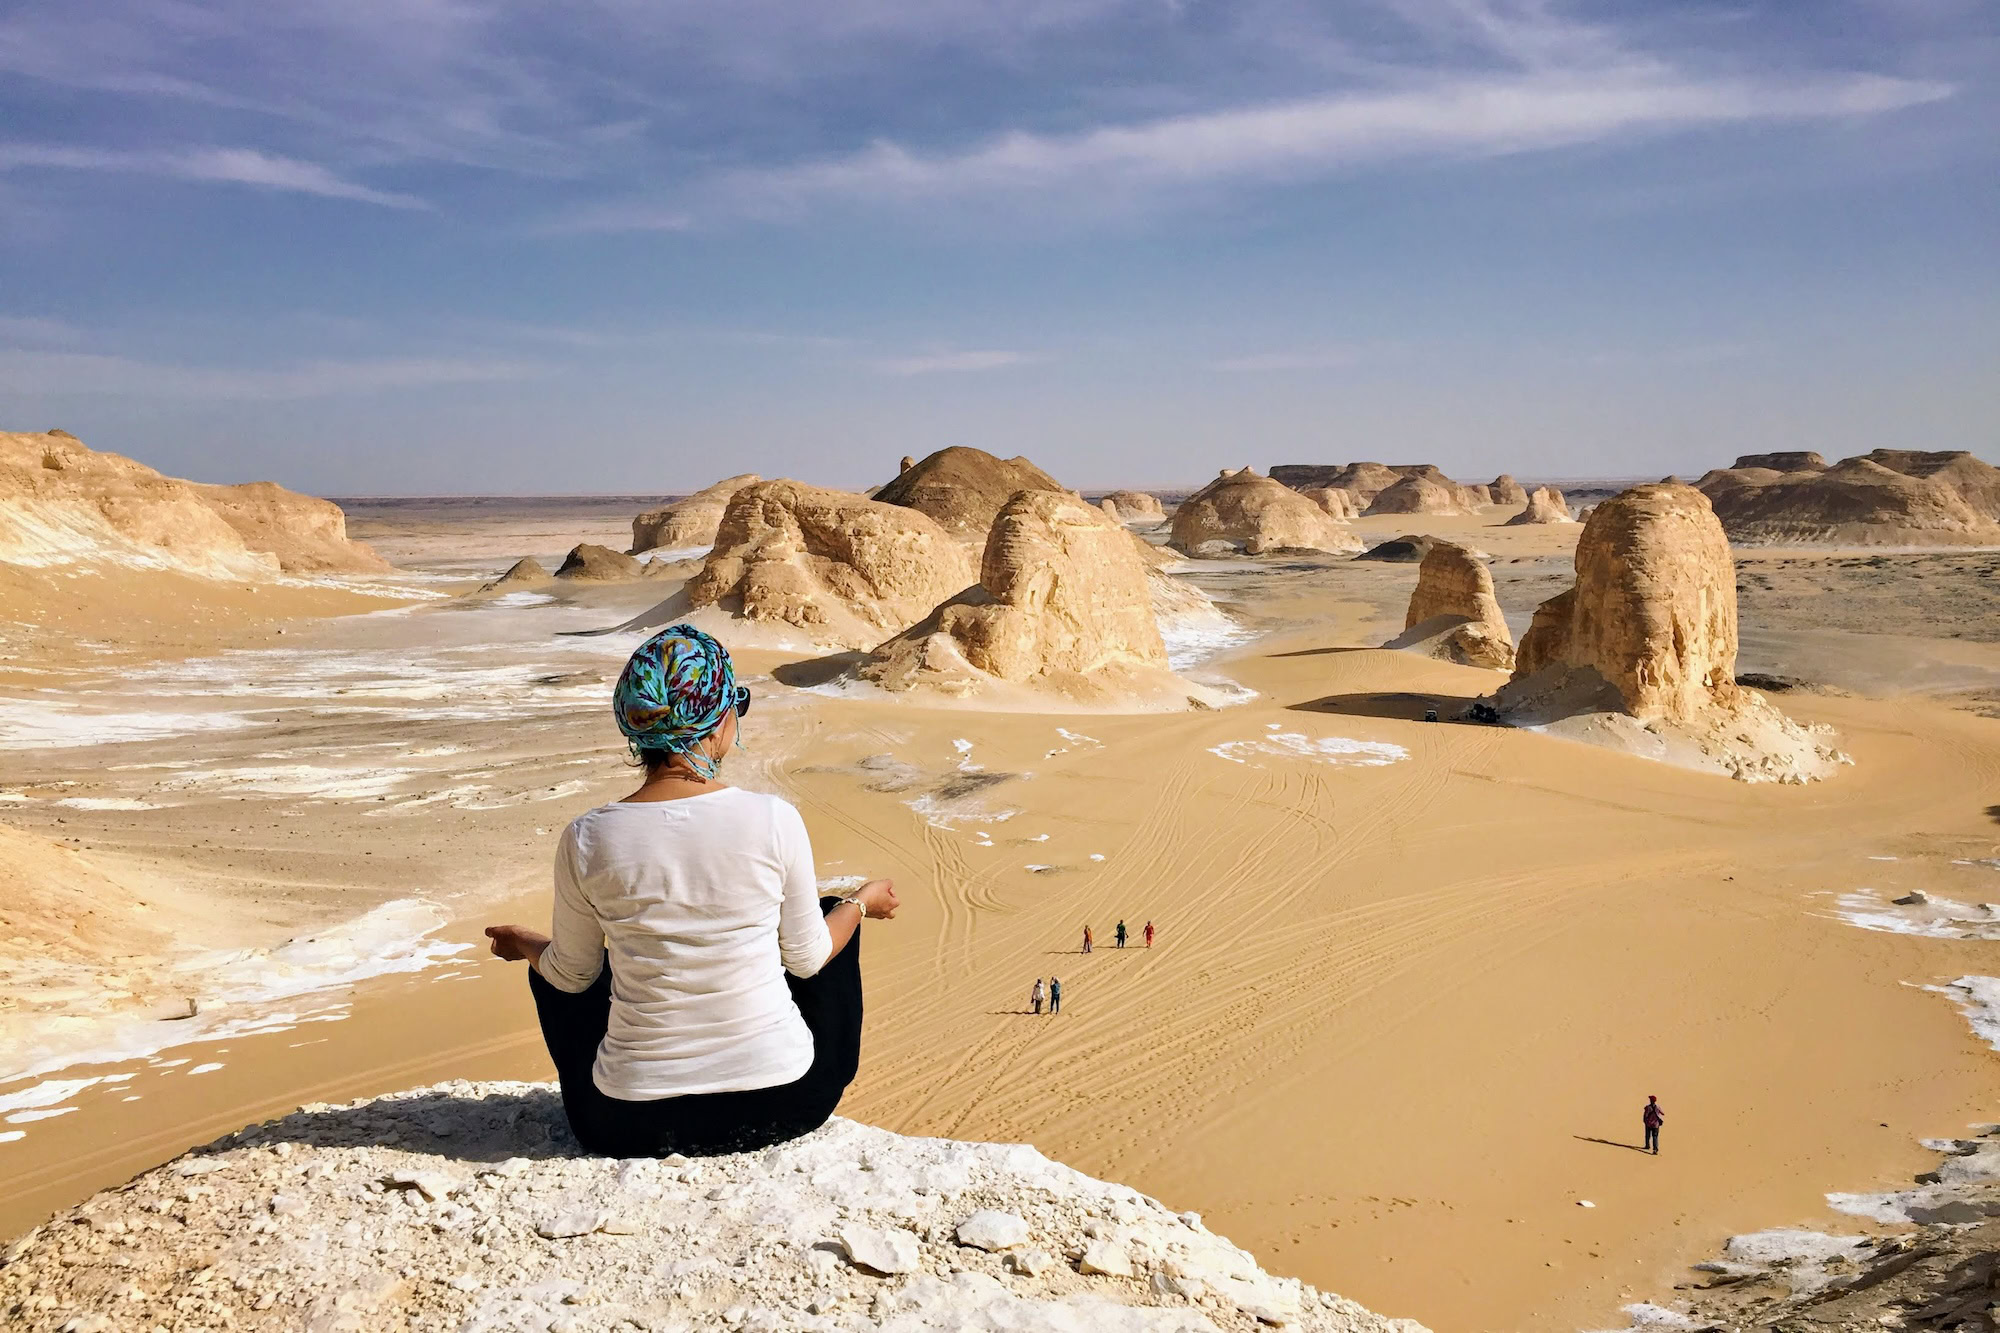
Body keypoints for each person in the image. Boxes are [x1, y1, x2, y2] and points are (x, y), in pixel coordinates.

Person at [484, 624, 900, 1159]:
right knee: (827, 915)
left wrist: (522, 941)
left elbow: (573, 976)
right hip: (784, 1104)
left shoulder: (587, 837)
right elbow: (807, 957)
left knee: (565, 963)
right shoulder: (773, 818)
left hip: (622, 1123)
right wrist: (860, 902)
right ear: (721, 721)